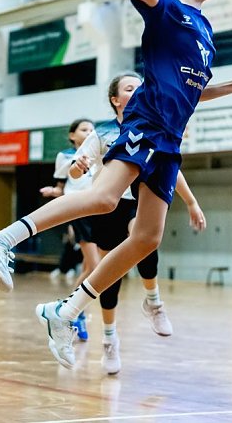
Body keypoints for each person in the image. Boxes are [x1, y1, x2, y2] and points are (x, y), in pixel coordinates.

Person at [0, 0, 232, 369]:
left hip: (169, 140)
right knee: (105, 198)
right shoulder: (167, 7)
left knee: (146, 238)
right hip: (146, 123)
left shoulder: (205, 32)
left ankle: (63, 313)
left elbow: (193, 93)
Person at [70, 71, 206, 374]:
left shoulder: (153, 126)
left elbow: (170, 170)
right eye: (130, 89)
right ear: (116, 100)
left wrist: (191, 201)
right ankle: (109, 339)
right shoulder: (103, 133)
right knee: (109, 276)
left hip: (137, 203)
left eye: (141, 87)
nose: (138, 91)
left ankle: (153, 301)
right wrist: (79, 167)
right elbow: (76, 171)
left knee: (143, 238)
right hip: (106, 207)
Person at [40, 118, 97, 341]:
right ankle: (72, 310)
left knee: (89, 267)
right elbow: (62, 187)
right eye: (84, 129)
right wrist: (54, 191)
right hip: (79, 210)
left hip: (99, 209)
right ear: (72, 135)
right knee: (95, 266)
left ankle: (72, 310)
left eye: (92, 130)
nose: (89, 132)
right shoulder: (65, 156)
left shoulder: (98, 152)